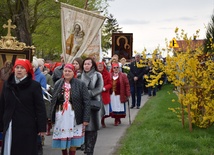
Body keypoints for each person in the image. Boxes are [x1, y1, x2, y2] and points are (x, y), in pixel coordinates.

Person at [0, 59, 47, 155]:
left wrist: (41, 127)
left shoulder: (34, 86)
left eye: (22, 68)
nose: (19, 70)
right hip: (10, 123)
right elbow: (2, 105)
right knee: (9, 148)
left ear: (27, 70)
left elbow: (40, 108)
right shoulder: (7, 84)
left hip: (27, 126)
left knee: (24, 149)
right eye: (17, 67)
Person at [50, 64, 91, 155]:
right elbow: (53, 101)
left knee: (73, 137)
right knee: (62, 136)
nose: (67, 73)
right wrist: (51, 116)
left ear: (74, 72)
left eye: (69, 71)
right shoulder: (58, 83)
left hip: (75, 115)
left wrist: (86, 118)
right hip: (61, 114)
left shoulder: (80, 84)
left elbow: (87, 102)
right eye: (65, 71)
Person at [79, 57, 103, 155]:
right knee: (82, 126)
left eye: (88, 64)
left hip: (93, 104)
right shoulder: (79, 75)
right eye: (85, 64)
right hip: (81, 105)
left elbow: (99, 88)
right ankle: (83, 145)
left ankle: (90, 149)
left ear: (92, 65)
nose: (86, 66)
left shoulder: (97, 75)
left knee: (92, 128)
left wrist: (87, 94)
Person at [96, 62, 112, 128]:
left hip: (104, 93)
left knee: (104, 109)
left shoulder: (107, 74)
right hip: (96, 93)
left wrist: (104, 88)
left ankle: (102, 120)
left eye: (101, 66)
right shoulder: (94, 74)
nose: (100, 67)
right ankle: (96, 122)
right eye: (98, 66)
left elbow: (110, 84)